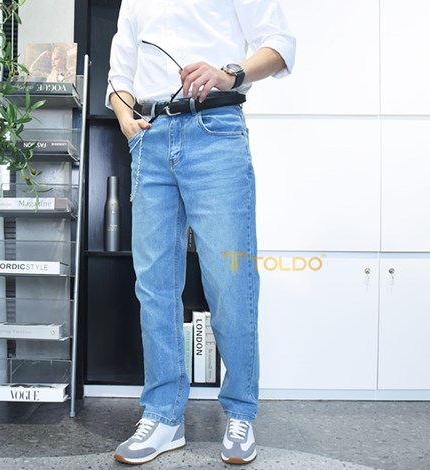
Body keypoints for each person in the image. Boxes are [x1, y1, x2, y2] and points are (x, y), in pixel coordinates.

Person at [106, 0, 295, 465]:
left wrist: (230, 73)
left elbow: (280, 46)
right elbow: (120, 73)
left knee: (230, 281)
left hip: (215, 130)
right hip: (151, 136)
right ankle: (164, 416)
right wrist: (126, 118)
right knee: (154, 285)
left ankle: (240, 413)